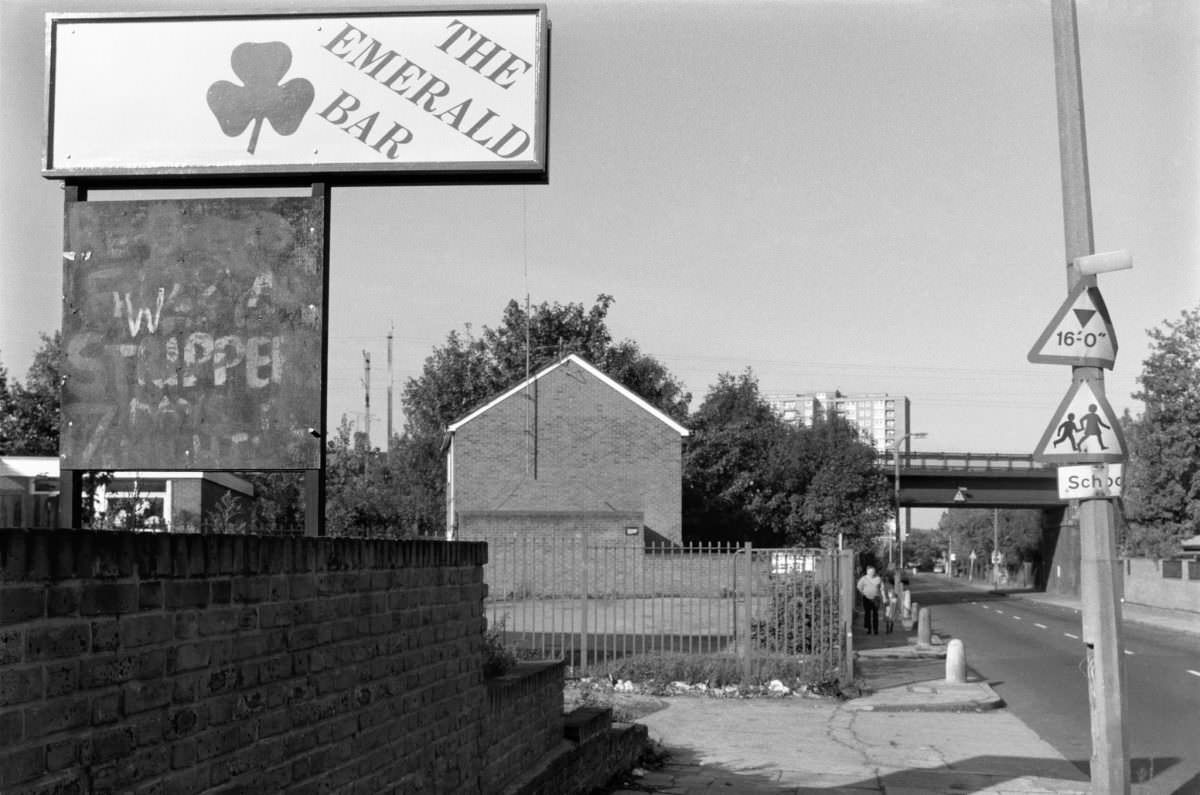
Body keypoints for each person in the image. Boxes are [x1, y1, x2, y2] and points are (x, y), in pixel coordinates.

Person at [856, 565, 883, 635]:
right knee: (867, 614)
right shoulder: (863, 579)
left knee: (875, 614)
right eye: (871, 572)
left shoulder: (878, 578)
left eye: (873, 572)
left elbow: (882, 588)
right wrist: (862, 593)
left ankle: (876, 630)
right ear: (867, 572)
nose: (872, 573)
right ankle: (869, 629)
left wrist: (884, 597)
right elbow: (859, 587)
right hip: (866, 598)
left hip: (876, 598)